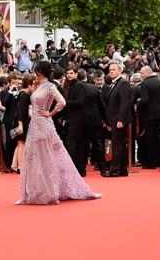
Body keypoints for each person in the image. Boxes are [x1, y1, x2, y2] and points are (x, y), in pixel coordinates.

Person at [15, 60, 101, 205]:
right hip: (35, 125)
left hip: (43, 125)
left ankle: (50, 191)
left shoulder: (50, 87)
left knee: (46, 158)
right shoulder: (40, 86)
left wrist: (50, 113)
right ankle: (37, 191)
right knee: (34, 158)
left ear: (39, 72)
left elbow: (62, 102)